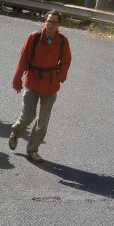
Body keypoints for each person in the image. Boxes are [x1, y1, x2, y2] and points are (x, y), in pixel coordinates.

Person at [9, 11, 72, 163]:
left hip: (50, 85)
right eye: (49, 21)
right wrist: (17, 79)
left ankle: (32, 150)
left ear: (59, 25)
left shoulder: (63, 41)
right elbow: (23, 58)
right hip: (32, 81)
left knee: (42, 122)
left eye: (54, 22)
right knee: (28, 116)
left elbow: (66, 60)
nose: (51, 25)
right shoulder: (34, 37)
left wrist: (61, 76)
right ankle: (16, 131)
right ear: (45, 21)